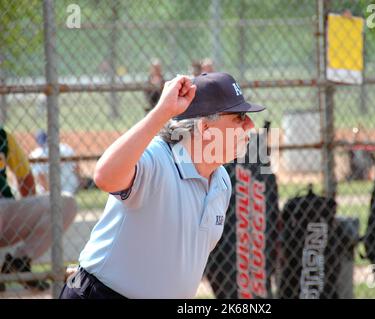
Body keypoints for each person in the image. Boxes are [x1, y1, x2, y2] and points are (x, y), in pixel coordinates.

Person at [59, 72, 265, 299]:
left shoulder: (221, 181)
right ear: (206, 128)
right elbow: (105, 176)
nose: (250, 125)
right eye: (239, 117)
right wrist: (162, 112)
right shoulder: (157, 159)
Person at [0, 128, 77, 292]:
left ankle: (19, 261)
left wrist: (24, 212)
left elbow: (26, 177)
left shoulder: (3, 136)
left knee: (66, 203)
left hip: (4, 211)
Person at [29, 130, 80, 195]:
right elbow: (77, 167)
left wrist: (51, 193)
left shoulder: (36, 154)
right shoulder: (65, 148)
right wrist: (79, 182)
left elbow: (41, 177)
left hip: (50, 189)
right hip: (70, 187)